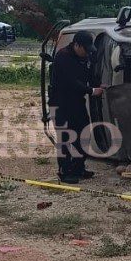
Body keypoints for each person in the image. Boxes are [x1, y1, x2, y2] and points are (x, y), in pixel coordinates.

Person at [49, 30, 104, 184]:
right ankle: (65, 172)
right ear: (77, 45)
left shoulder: (85, 57)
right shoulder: (63, 57)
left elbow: (89, 75)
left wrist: (98, 85)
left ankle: (78, 168)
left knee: (84, 135)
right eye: (85, 49)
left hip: (77, 103)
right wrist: (92, 91)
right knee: (65, 138)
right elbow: (71, 82)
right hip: (60, 103)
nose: (87, 53)